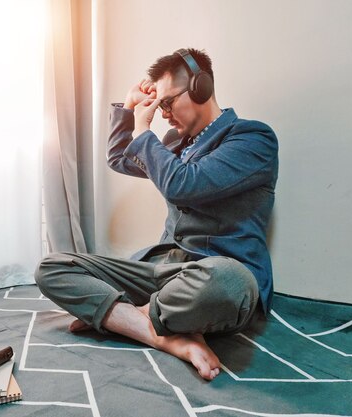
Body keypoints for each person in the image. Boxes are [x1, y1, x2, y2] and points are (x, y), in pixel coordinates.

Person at [35, 48, 278, 381]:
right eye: (159, 105)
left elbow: (183, 185)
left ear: (201, 88)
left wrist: (144, 132)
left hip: (214, 277)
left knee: (229, 280)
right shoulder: (175, 143)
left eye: (167, 103)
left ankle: (122, 317)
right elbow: (120, 158)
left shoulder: (252, 139)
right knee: (53, 267)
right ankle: (162, 335)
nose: (163, 114)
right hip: (159, 272)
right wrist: (128, 106)